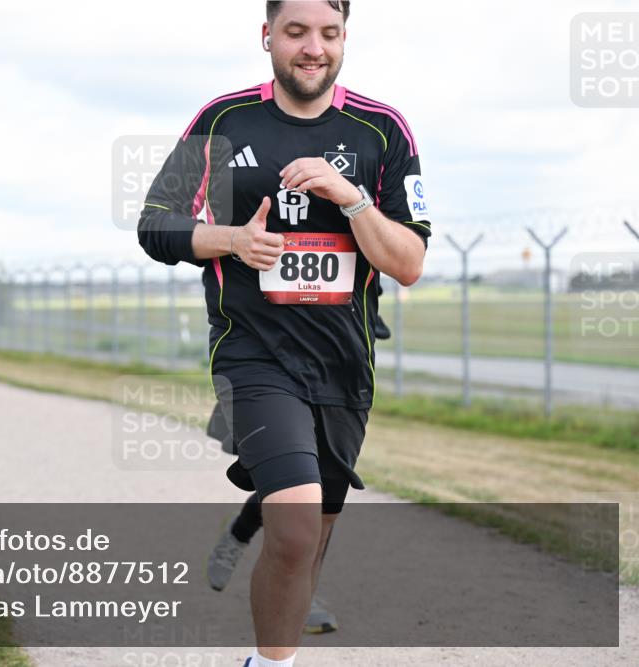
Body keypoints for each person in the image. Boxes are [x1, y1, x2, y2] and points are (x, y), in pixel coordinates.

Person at [136, 2, 430, 665]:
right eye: (296, 31)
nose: (312, 47)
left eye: (329, 33)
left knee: (308, 540)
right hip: (253, 354)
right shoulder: (223, 120)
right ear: (267, 35)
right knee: (295, 528)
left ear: (345, 39)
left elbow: (408, 262)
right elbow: (155, 224)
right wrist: (233, 240)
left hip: (344, 366)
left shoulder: (381, 130)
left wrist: (350, 197)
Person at [205, 287, 393, 634]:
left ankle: (285, 576)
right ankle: (267, 563)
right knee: (291, 478)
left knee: (316, 490)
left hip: (336, 363)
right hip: (264, 354)